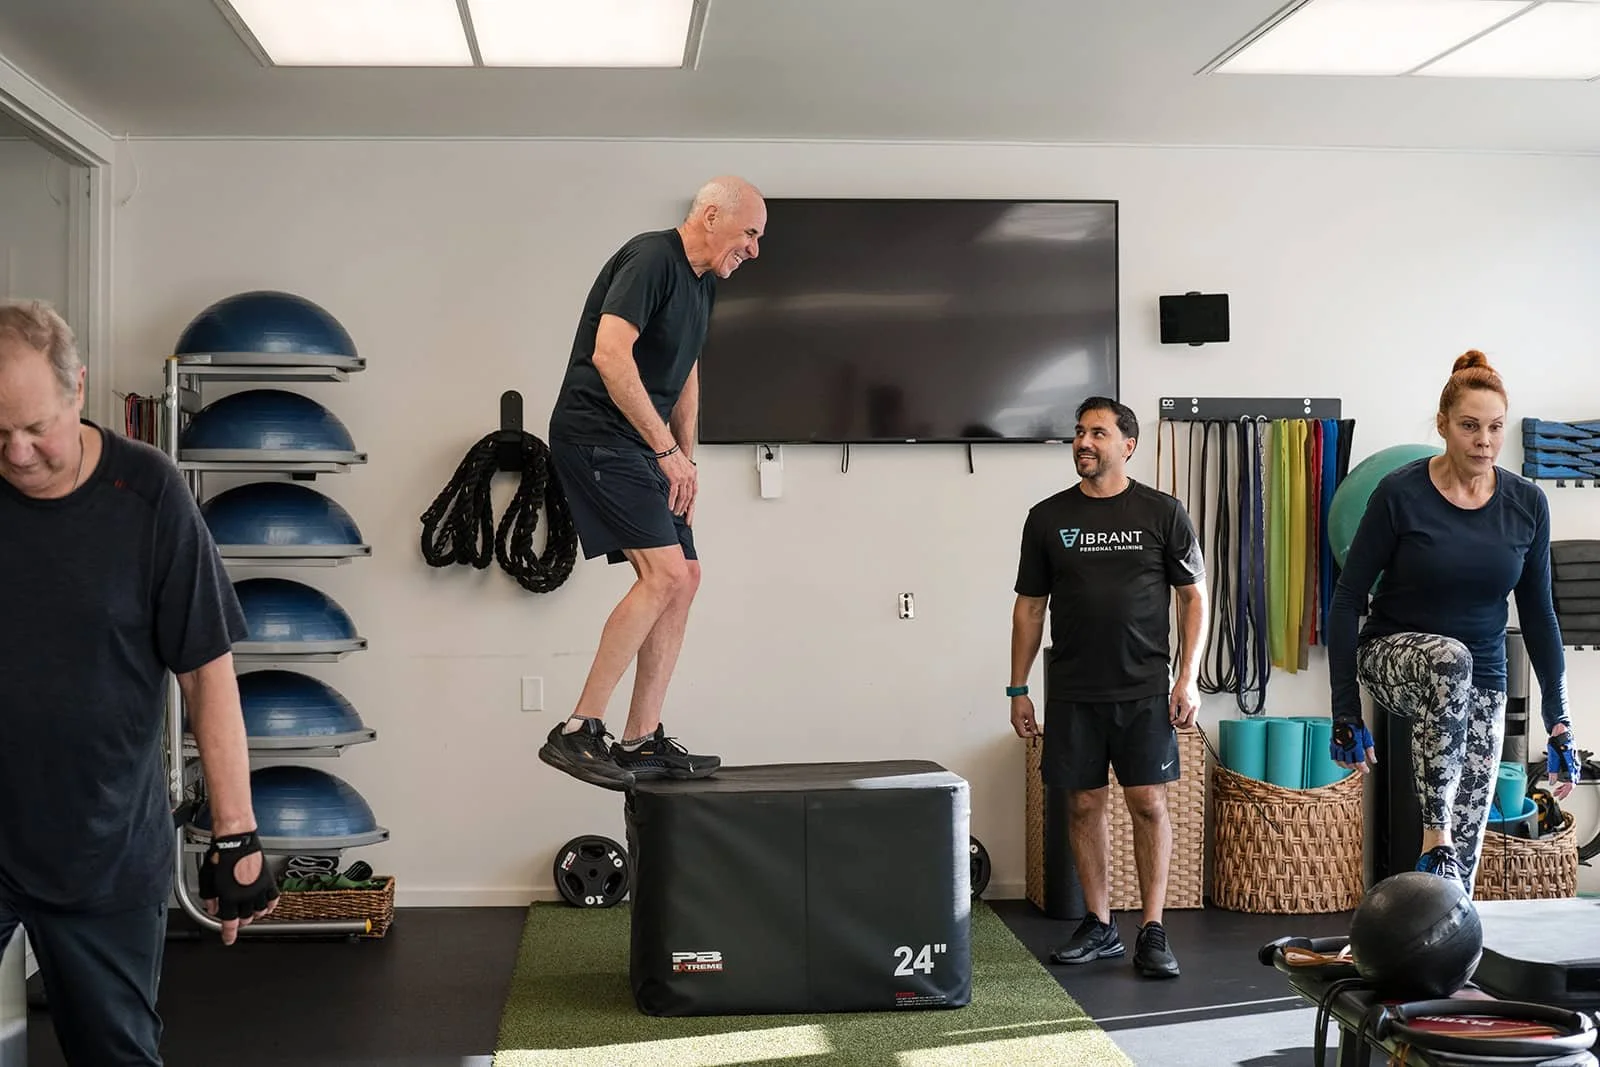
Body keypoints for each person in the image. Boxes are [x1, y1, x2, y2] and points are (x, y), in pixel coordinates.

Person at [0, 299, 280, 1065]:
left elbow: (207, 673)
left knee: (116, 1055)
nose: (19, 453)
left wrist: (237, 832)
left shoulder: (149, 496)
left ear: (78, 390)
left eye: (36, 427)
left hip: (106, 845)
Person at [538, 176, 766, 791]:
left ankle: (640, 739)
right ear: (712, 215)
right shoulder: (651, 257)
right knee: (662, 573)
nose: (753, 249)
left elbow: (687, 367)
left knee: (685, 578)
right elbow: (611, 355)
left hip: (645, 446)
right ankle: (578, 730)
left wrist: (684, 460)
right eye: (749, 233)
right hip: (596, 434)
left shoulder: (702, 284)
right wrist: (664, 450)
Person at [1327, 350, 1578, 892]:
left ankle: (1442, 952)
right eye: (1469, 426)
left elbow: (1539, 616)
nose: (1483, 440)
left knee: (1460, 866)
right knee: (1449, 658)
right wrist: (1345, 710)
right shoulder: (1400, 493)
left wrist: (1559, 721)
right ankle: (1433, 835)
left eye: (1494, 427)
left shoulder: (1527, 504)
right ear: (1442, 425)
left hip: (1480, 678)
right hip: (1395, 657)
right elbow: (1347, 599)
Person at [1009, 396, 1208, 980]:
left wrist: (1188, 677)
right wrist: (1017, 688)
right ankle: (1100, 926)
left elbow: (1193, 595)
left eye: (1097, 432)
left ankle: (1152, 928)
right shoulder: (1046, 518)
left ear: (1128, 445)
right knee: (1083, 803)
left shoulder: (1164, 512)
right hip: (1072, 690)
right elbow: (1029, 608)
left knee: (1148, 804)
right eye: (1078, 432)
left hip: (1145, 688)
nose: (1083, 442)